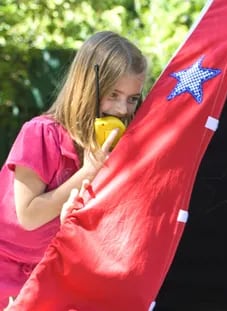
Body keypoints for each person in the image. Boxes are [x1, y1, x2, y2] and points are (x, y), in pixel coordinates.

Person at [0, 30, 147, 309]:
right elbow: (29, 216)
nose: (121, 109)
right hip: (9, 275)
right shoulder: (41, 134)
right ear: (87, 88)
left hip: (58, 274)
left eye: (132, 99)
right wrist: (87, 172)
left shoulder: (114, 147)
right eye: (113, 94)